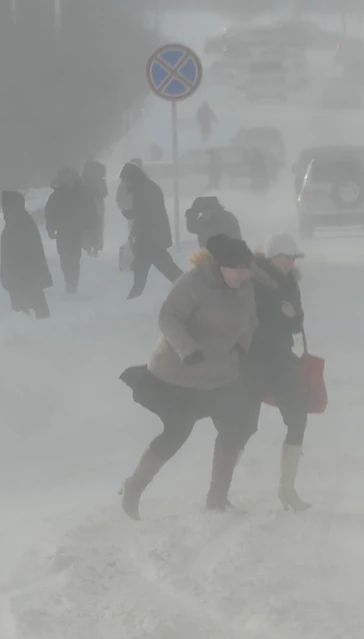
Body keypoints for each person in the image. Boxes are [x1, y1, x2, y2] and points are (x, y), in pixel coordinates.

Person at [119, 234, 259, 519]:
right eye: (236, 268)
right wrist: (188, 350)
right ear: (221, 266)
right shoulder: (195, 282)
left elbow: (250, 322)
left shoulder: (246, 289)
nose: (241, 274)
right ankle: (133, 488)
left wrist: (241, 350)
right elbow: (168, 317)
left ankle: (217, 498)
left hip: (218, 374)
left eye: (246, 269)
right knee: (177, 431)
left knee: (236, 427)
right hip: (176, 375)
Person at [244, 233, 311, 511]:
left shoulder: (291, 283)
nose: (290, 262)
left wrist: (292, 315)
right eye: (286, 257)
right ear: (272, 256)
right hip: (251, 360)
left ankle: (287, 489)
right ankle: (218, 493)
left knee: (297, 417)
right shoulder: (252, 281)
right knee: (242, 425)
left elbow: (297, 324)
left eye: (293, 257)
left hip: (280, 359)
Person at [117, 162, 184, 299]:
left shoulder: (145, 190)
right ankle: (192, 291)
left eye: (127, 180)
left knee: (170, 273)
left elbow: (145, 213)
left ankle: (194, 293)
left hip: (151, 240)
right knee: (167, 273)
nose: (126, 183)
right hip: (151, 239)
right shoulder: (147, 187)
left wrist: (130, 214)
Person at [0, 190, 52, 319]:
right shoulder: (17, 220)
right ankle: (34, 330)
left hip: (24, 274)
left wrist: (13, 274)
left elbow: (27, 251)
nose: (4, 209)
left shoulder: (20, 222)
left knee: (29, 305)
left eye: (6, 206)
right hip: (19, 275)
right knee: (26, 305)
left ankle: (43, 331)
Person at [44, 167, 97, 294]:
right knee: (65, 258)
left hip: (78, 231)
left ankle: (72, 283)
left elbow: (91, 211)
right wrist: (50, 228)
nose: (68, 182)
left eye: (70, 179)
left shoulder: (82, 193)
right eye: (65, 179)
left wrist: (91, 228)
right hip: (63, 231)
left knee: (74, 258)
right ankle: (70, 280)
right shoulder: (56, 195)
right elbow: (49, 213)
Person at [81, 161, 108, 257]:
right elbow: (105, 193)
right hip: (96, 207)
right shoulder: (100, 180)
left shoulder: (84, 180)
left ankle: (90, 247)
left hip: (88, 207)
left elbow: (104, 192)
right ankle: (94, 247)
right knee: (96, 227)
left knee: (88, 227)